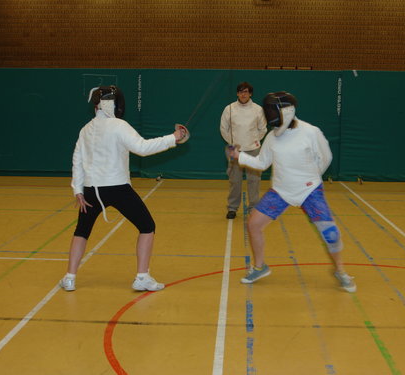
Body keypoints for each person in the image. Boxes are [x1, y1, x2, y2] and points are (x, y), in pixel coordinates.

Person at [59, 85, 188, 292]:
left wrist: (78, 190)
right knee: (147, 226)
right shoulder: (119, 126)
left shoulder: (86, 129)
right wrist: (173, 138)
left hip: (92, 190)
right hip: (118, 188)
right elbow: (142, 148)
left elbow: (77, 160)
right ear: (115, 104)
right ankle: (142, 277)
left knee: (81, 231)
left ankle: (70, 277)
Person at [229, 91, 356, 292]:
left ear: (286, 110)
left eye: (273, 109)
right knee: (253, 224)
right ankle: (260, 267)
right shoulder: (272, 137)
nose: (269, 113)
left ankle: (340, 271)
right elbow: (262, 163)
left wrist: (309, 180)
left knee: (331, 234)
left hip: (310, 191)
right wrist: (240, 156)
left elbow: (326, 158)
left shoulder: (310, 132)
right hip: (280, 191)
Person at [220, 82, 267, 219]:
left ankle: (253, 208)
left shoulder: (258, 109)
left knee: (254, 181)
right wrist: (232, 143)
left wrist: (254, 141)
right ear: (237, 93)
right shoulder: (229, 109)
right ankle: (232, 208)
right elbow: (224, 128)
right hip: (235, 151)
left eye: (246, 92)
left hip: (253, 150)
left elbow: (263, 129)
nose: (243, 94)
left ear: (250, 94)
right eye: (240, 92)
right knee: (235, 181)